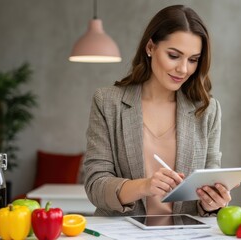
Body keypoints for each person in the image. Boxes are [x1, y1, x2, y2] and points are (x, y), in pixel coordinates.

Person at [84, 4, 231, 216]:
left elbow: (210, 180)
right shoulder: (108, 102)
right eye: (173, 55)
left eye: (193, 60)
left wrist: (212, 202)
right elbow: (95, 185)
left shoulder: (207, 109)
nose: (183, 69)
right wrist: (144, 186)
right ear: (150, 47)